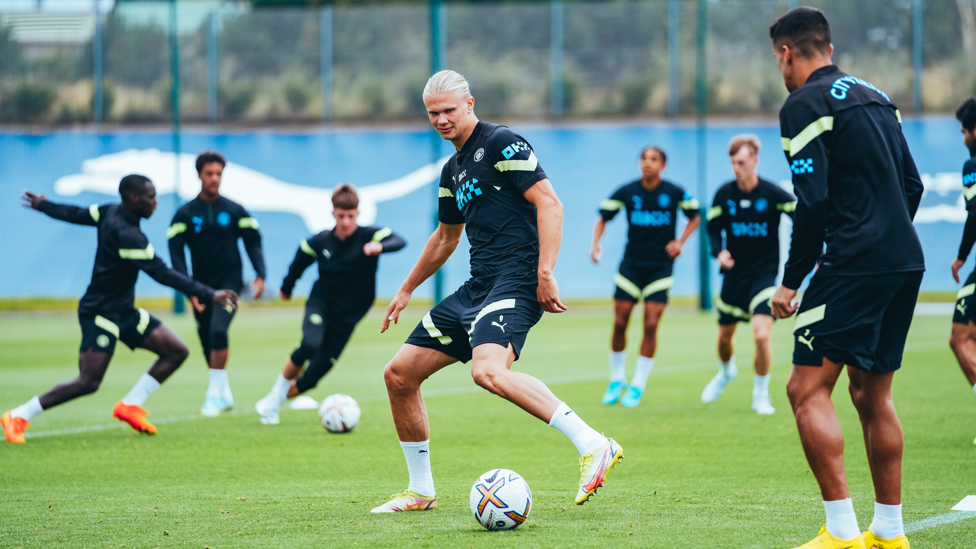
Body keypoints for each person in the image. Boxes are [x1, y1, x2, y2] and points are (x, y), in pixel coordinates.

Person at [370, 70, 623, 514]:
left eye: (449, 110)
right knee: (399, 375)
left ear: (470, 104)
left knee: (487, 371)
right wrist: (407, 288)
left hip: (517, 278)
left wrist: (545, 272)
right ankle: (421, 490)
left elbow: (550, 204)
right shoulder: (452, 169)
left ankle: (594, 444)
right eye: (433, 114)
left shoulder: (503, 142)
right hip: (478, 285)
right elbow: (446, 237)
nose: (442, 120)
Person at [768, 8, 924, 549]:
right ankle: (889, 533)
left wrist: (790, 282)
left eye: (778, 60)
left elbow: (811, 204)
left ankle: (841, 535)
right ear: (827, 46)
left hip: (854, 262)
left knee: (805, 389)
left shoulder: (802, 103)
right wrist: (888, 238)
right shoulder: (878, 96)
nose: (780, 70)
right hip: (905, 259)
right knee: (870, 393)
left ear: (787, 52)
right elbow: (914, 185)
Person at [3, 175, 239, 444]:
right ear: (134, 198)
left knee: (176, 351)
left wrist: (44, 205)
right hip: (100, 313)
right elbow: (163, 273)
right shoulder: (128, 235)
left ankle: (130, 405)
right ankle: (19, 414)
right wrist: (211, 293)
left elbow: (77, 213)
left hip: (124, 311)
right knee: (89, 382)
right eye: (151, 197)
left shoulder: (107, 211)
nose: (156, 202)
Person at [254, 184, 405, 425]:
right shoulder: (320, 242)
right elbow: (298, 263)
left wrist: (381, 247)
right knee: (309, 345)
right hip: (321, 303)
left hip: (350, 316)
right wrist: (286, 288)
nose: (346, 221)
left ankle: (274, 403)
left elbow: (399, 240)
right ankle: (273, 398)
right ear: (333, 213)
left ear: (358, 213)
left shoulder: (370, 236)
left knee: (313, 377)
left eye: (351, 215)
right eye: (341, 215)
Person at [590, 146, 700, 408]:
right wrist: (596, 245)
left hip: (660, 268)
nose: (648, 163)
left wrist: (681, 242)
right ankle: (617, 379)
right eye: (644, 158)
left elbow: (695, 216)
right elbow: (603, 217)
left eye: (654, 159)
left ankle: (638, 383)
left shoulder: (674, 192)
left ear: (663, 165)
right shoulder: (628, 191)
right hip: (631, 266)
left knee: (651, 324)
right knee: (620, 321)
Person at [168, 151, 266, 417]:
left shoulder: (235, 210)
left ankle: (213, 396)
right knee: (206, 339)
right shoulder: (185, 213)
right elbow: (175, 252)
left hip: (230, 284)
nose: (214, 179)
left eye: (219, 174)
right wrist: (188, 288)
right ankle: (223, 392)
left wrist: (260, 273)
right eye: (209, 174)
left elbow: (253, 241)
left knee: (219, 330)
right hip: (200, 286)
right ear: (199, 175)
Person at [702, 135, 796, 414]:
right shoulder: (724, 194)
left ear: (755, 161)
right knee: (723, 339)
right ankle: (727, 371)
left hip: (765, 277)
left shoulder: (773, 193)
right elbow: (712, 229)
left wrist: (809, 254)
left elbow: (804, 218)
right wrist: (719, 252)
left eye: (741, 162)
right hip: (733, 278)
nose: (736, 167)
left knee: (762, 336)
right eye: (733, 162)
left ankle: (760, 395)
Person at [948, 97, 976, 446]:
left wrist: (959, 257)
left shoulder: (972, 165)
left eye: (964, 131)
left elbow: (975, 213)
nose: (963, 137)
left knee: (960, 339)